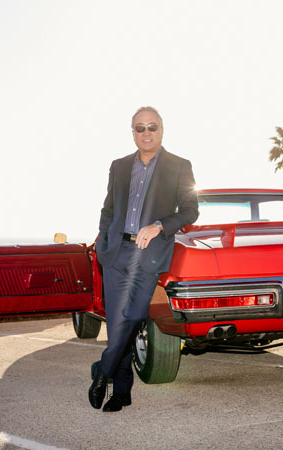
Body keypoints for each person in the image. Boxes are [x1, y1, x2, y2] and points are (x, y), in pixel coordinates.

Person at [89, 106, 199, 412]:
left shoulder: (179, 166)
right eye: (140, 128)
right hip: (116, 254)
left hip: (149, 254)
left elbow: (190, 210)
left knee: (134, 318)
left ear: (161, 130)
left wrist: (159, 225)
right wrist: (103, 244)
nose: (146, 133)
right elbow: (108, 209)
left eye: (152, 127)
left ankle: (102, 370)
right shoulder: (119, 166)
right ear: (133, 132)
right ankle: (121, 392)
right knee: (117, 325)